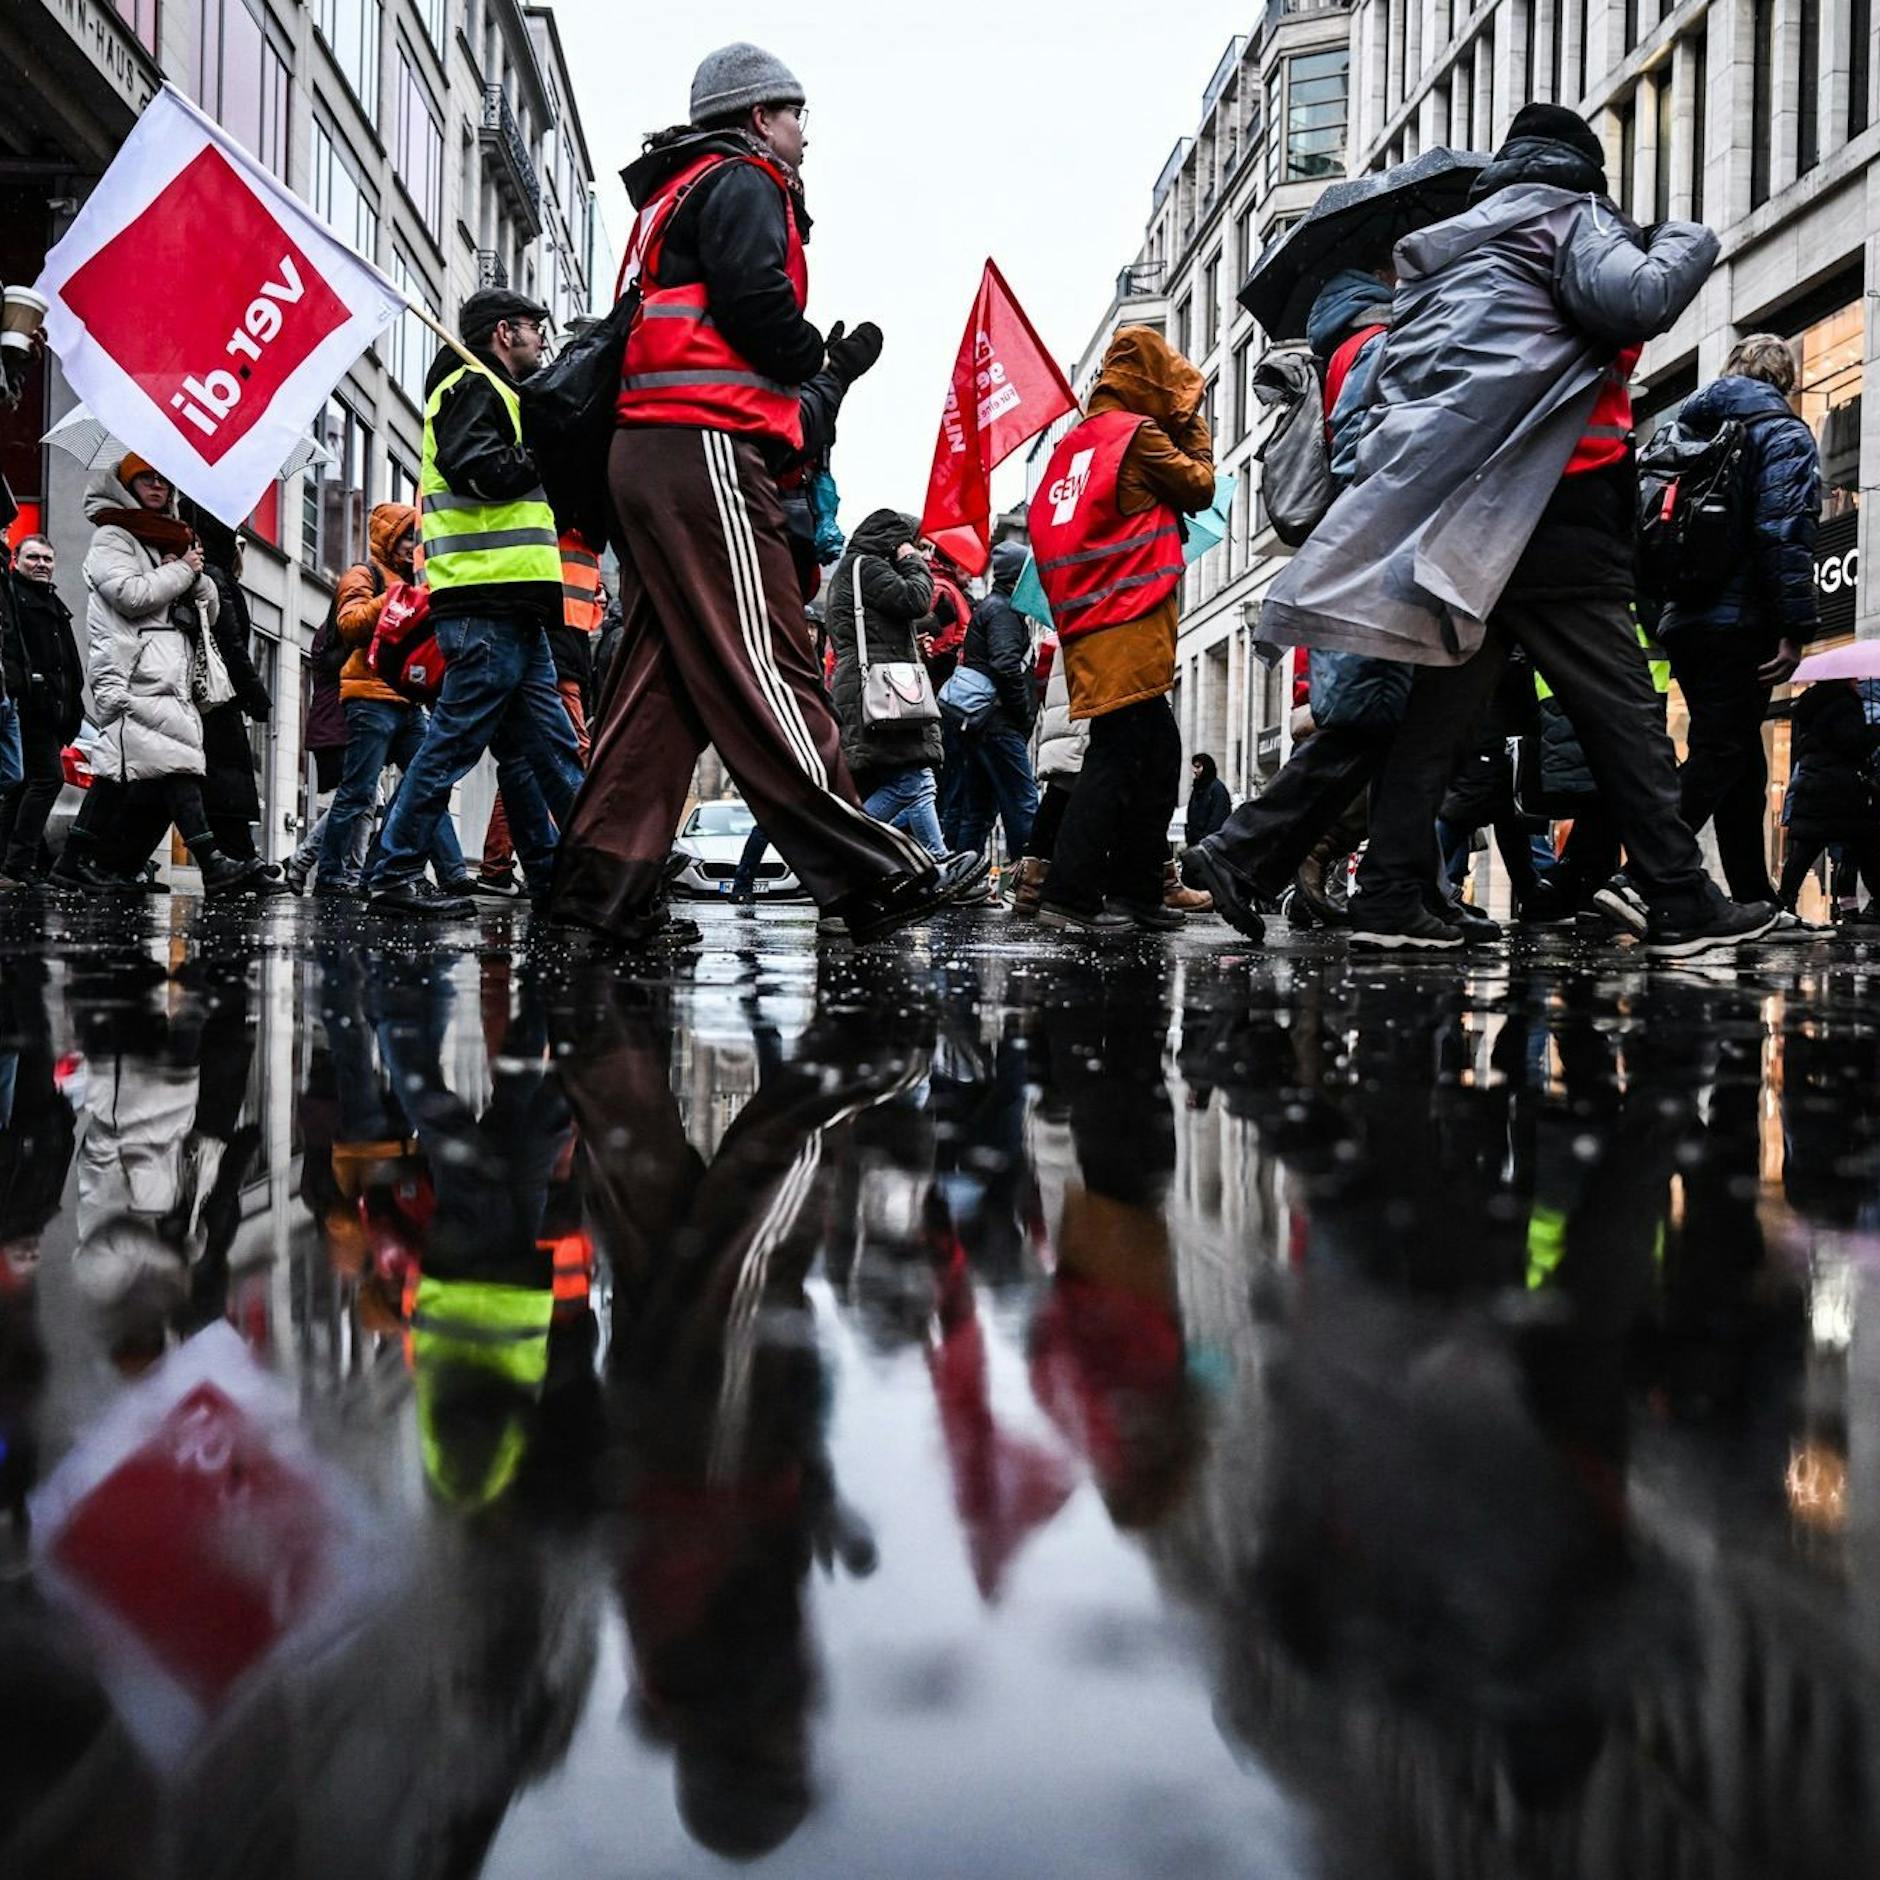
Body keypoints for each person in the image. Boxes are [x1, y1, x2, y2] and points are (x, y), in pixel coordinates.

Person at [1258, 104, 1774, 958]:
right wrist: (1683, 237)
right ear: (1582, 168)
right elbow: (1638, 298)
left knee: (1438, 718)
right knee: (1625, 711)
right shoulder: (1567, 217)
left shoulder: (1443, 253)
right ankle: (1681, 900)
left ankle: (1387, 891)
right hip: (1559, 507)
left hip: (1474, 518)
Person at [546, 42, 980, 948]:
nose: (804, 138)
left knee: (659, 687)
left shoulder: (674, 192)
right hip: (703, 445)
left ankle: (597, 891)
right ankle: (870, 875)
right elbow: (756, 310)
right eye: (796, 116)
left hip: (655, 451)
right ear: (757, 117)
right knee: (769, 658)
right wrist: (812, 359)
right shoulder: (743, 178)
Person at [1179, 267, 1398, 938]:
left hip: (1358, 559)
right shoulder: (1373, 350)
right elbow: (1373, 464)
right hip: (1381, 562)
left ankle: (1253, 862)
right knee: (1370, 725)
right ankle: (1239, 854)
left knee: (1382, 730)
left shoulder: (1336, 360)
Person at [366, 290, 584, 918]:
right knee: (454, 748)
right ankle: (393, 875)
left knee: (546, 749)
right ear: (504, 332)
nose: (542, 339)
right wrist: (548, 449)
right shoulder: (468, 386)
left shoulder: (492, 391)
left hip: (510, 604)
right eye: (535, 329)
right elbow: (480, 471)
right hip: (487, 603)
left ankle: (579, 876)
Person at [1028, 325, 1215, 935]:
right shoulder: (1140, 435)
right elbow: (1201, 485)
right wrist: (1193, 423)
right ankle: (1071, 894)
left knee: (1154, 754)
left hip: (1089, 619)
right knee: (1118, 756)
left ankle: (1135, 891)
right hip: (1128, 615)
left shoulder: (1075, 444)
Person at [1658, 333, 1823, 911]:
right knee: (1722, 752)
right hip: (1740, 620)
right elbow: (1783, 532)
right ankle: (1643, 878)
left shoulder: (1684, 429)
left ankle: (1756, 899)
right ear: (1785, 380)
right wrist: (1796, 626)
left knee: (1744, 766)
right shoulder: (1782, 433)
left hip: (1684, 620)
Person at [62, 455, 266, 896]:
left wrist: (201, 581)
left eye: (163, 480)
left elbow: (205, 610)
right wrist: (181, 571)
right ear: (127, 485)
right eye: (146, 479)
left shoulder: (169, 539)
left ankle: (71, 863)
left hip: (166, 670)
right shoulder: (113, 536)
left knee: (120, 773)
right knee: (175, 765)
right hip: (133, 668)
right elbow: (130, 594)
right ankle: (211, 863)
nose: (157, 487)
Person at [319, 501, 478, 903]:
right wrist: (396, 601)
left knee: (429, 783)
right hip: (369, 698)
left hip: (409, 702)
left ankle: (453, 872)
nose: (413, 545)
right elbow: (349, 624)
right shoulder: (364, 574)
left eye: (417, 537)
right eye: (406, 536)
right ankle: (332, 875)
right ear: (388, 537)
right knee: (358, 792)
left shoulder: (421, 579)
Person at [476, 527, 603, 894]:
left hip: (560, 654)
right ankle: (597, 857)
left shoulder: (582, 545)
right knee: (567, 752)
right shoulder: (561, 523)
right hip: (554, 655)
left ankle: (510, 867)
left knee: (522, 761)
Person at [826, 508, 949, 857]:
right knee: (912, 782)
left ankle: (923, 861)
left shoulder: (856, 571)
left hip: (875, 688)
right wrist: (911, 561)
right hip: (881, 692)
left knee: (909, 781)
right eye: (914, 544)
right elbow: (915, 598)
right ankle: (848, 854)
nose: (921, 553)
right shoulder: (867, 567)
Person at [176, 502, 280, 873]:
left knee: (206, 778)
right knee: (223, 776)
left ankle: (238, 855)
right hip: (216, 694)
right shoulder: (216, 577)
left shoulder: (220, 576)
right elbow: (230, 644)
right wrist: (256, 696)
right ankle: (237, 856)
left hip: (214, 692)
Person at [951, 540, 1041, 870]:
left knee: (978, 805)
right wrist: (1022, 713)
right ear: (1017, 577)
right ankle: (1029, 875)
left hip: (981, 722)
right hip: (999, 720)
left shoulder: (991, 607)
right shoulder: (1004, 611)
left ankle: (964, 876)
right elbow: (1005, 665)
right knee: (1023, 798)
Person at [0, 533, 83, 885]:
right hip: (30, 707)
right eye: (33, 558)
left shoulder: (51, 601)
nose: (42, 565)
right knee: (47, 779)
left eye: (47, 559)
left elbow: (67, 664)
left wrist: (72, 709)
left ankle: (11, 863)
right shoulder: (15, 598)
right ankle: (17, 864)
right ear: (16, 560)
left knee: (22, 787)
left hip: (51, 712)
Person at [1776, 680, 1880, 915]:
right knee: (1866, 846)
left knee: (1806, 849)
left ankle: (1784, 902)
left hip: (1815, 784)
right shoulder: (1843, 704)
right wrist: (1872, 733)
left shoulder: (1814, 704)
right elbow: (1852, 742)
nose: (1858, 681)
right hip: (1840, 789)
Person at [1007, 632, 1086, 918]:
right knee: (1070, 796)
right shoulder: (1091, 619)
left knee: (1059, 795)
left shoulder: (1055, 638)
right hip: (1080, 719)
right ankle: (1048, 887)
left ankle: (1032, 883)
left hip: (1062, 723)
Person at [1185, 754, 1231, 847]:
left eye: (1198, 767)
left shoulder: (1217, 789)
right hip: (1196, 844)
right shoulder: (1198, 788)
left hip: (1209, 845)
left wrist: (1205, 840)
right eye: (1194, 767)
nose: (1195, 771)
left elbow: (1218, 819)